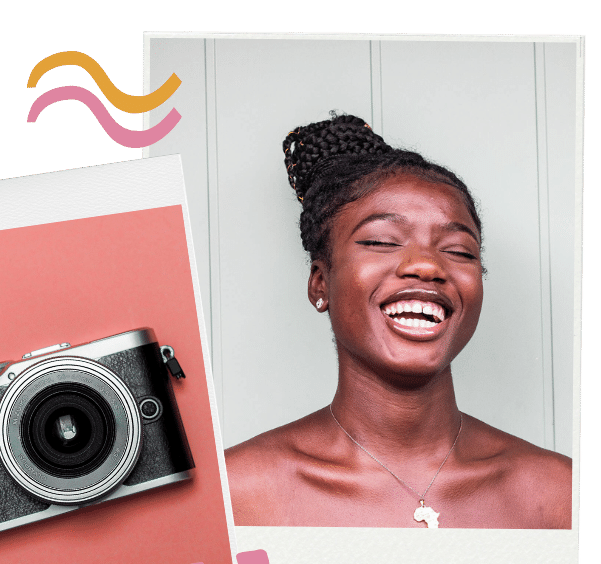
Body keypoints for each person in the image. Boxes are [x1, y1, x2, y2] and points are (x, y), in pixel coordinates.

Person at [224, 113, 572, 529]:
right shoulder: (235, 495)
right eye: (381, 242)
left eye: (459, 251)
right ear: (320, 283)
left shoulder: (560, 495)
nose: (427, 266)